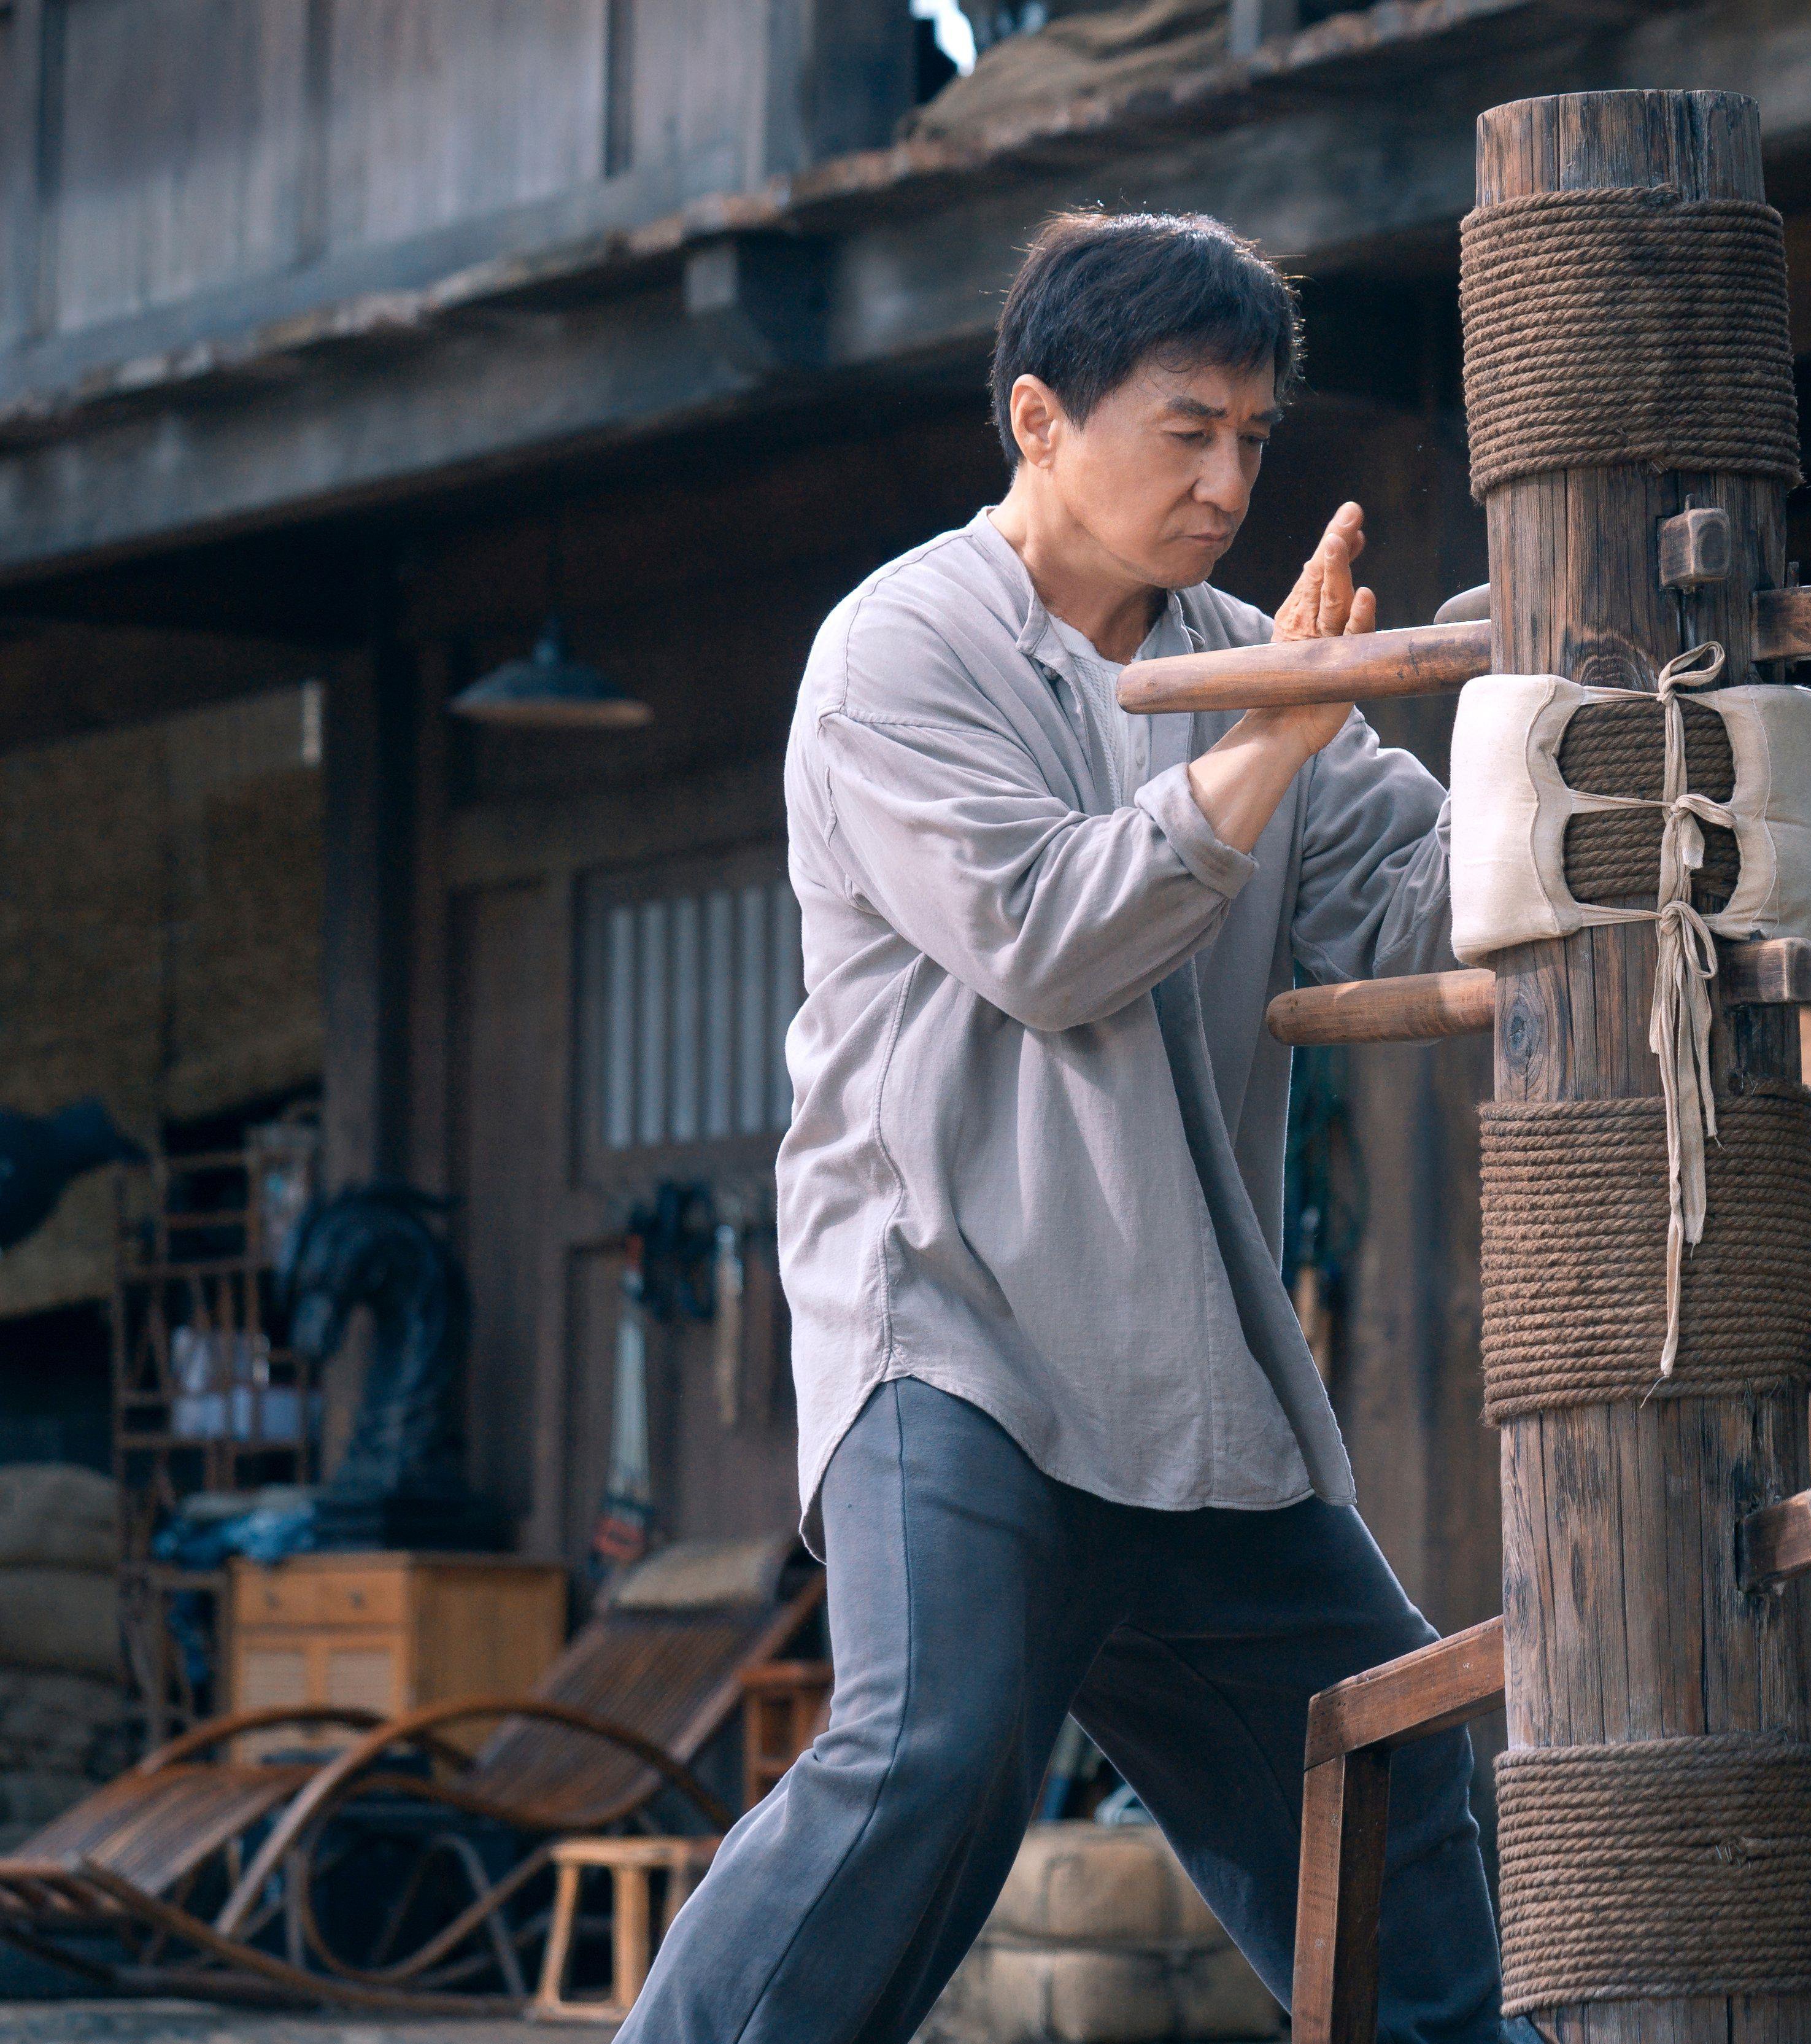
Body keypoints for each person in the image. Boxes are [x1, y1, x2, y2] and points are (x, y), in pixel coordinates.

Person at [619, 211, 1497, 2044]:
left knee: (1392, 1781)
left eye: (1255, 438)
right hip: (959, 1342)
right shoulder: (902, 650)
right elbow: (1048, 934)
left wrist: (1557, 743)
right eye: (1186, 430)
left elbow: (1415, 898)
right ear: (1038, 417)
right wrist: (1282, 729)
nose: (1228, 479)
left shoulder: (1253, 652)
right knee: (928, 1762)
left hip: (1190, 1379)